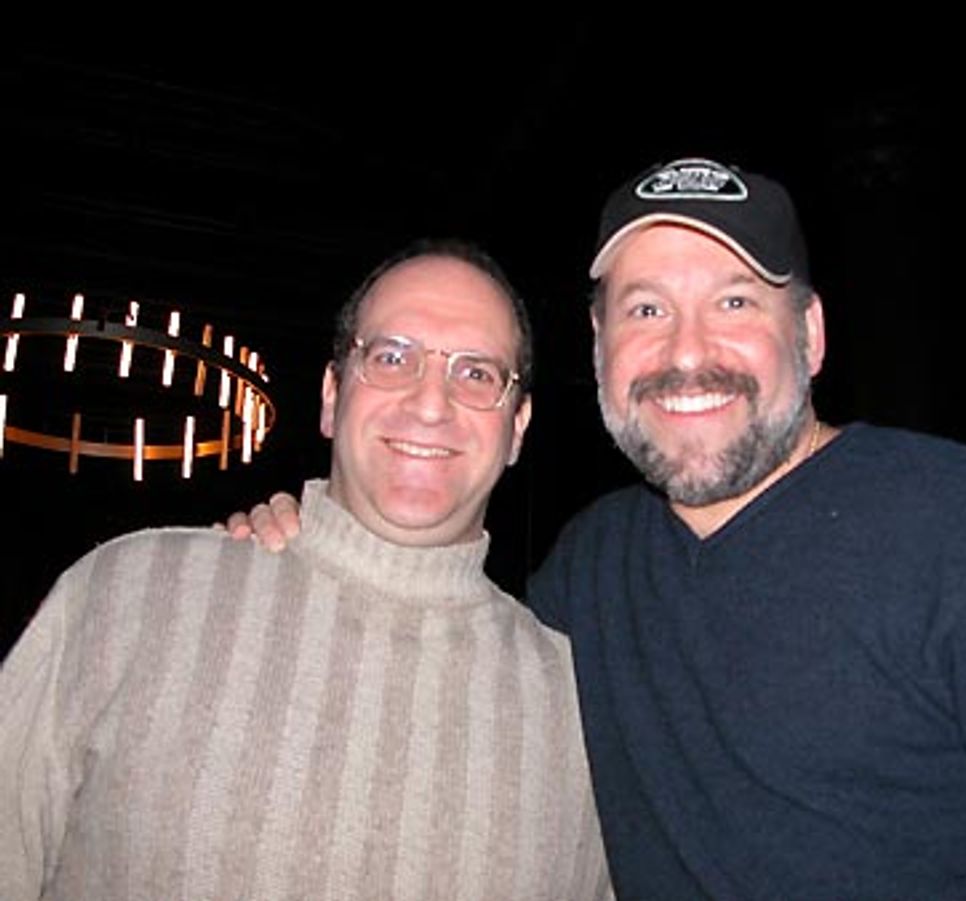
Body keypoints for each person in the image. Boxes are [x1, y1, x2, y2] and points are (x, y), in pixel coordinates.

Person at [229, 160, 966, 899]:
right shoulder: (590, 574)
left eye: (735, 301)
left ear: (810, 335)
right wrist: (306, 558)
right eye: (646, 308)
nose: (687, 351)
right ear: (601, 351)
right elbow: (444, 673)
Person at [0, 240, 611, 900]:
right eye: (391, 356)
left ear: (517, 426)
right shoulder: (124, 594)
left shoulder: (581, 711)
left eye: (476, 373)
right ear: (330, 394)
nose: (430, 402)